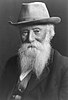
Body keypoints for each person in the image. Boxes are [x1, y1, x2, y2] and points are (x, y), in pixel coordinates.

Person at [0, 2, 68, 100]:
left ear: (49, 33)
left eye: (36, 31)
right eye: (25, 32)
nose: (30, 38)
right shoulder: (11, 64)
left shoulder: (64, 69)